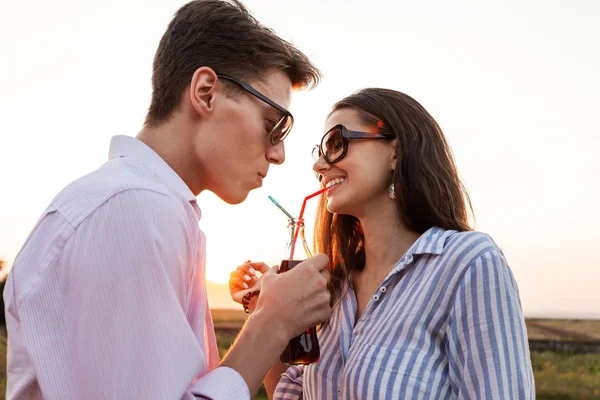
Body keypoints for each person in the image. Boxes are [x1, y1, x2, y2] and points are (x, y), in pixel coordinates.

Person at [3, 1, 332, 399]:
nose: (279, 154)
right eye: (273, 126)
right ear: (206, 93)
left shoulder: (142, 207)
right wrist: (272, 323)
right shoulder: (131, 211)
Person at [230, 88, 535, 399]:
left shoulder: (467, 263)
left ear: (395, 152)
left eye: (336, 143)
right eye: (319, 152)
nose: (319, 165)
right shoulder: (337, 286)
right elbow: (292, 393)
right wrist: (264, 308)